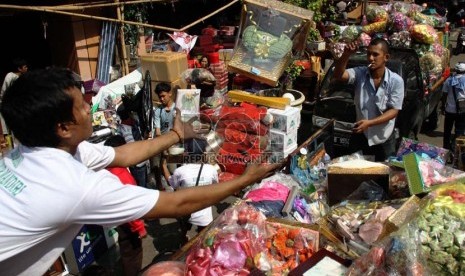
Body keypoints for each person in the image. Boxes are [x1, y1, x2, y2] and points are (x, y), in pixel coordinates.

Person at [0, 67, 283, 275]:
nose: (90, 108)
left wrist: (175, 134)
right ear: (63, 127)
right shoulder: (73, 185)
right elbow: (176, 203)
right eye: (83, 106)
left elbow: (122, 154)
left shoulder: (39, 149)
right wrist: (247, 178)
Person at [332, 38, 405, 161]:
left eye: (375, 54)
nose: (371, 58)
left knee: (385, 174)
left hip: (384, 139)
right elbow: (339, 75)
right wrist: (346, 54)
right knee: (357, 172)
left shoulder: (396, 81)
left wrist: (369, 123)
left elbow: (394, 111)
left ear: (386, 57)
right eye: (369, 54)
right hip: (361, 136)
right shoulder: (360, 73)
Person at [104, 135, 147, 276]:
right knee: (133, 253)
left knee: (126, 251)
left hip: (119, 220)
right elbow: (130, 205)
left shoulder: (108, 170)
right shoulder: (122, 175)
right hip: (129, 223)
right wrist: (140, 228)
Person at [169, 159, 219, 236]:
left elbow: (174, 186)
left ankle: (184, 240)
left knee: (184, 230)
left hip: (186, 211)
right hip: (205, 217)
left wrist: (163, 167)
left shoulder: (179, 171)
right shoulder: (211, 169)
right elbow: (216, 185)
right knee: (203, 238)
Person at [152, 82, 176, 189]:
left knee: (172, 169)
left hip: (174, 142)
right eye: (159, 97)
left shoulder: (177, 109)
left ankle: (176, 189)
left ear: (170, 93)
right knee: (156, 165)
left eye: (163, 96)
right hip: (162, 141)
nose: (161, 99)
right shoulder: (158, 111)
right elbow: (157, 132)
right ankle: (160, 187)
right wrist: (164, 147)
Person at [0, 58, 28, 137]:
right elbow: (4, 91)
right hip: (8, 104)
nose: (26, 68)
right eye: (25, 67)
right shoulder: (10, 76)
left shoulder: (22, 78)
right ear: (19, 68)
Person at [441, 62, 465, 151]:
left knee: (447, 132)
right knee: (459, 132)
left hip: (449, 110)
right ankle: (457, 152)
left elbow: (444, 94)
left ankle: (445, 151)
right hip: (462, 111)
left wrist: (443, 106)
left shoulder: (449, 80)